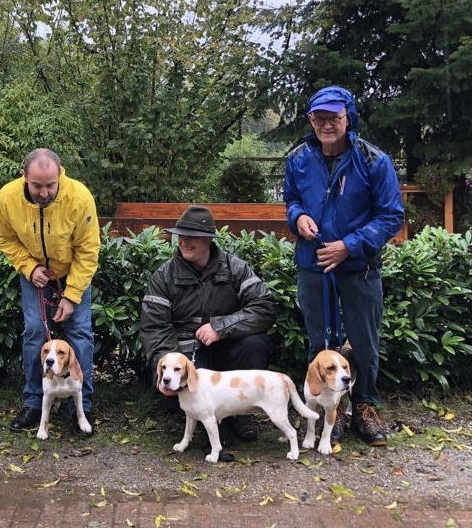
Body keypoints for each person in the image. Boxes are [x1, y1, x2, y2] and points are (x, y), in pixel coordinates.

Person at [283, 85, 403, 446]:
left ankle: (365, 407)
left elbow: (391, 215)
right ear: (310, 120)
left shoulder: (373, 161)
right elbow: (290, 199)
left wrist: (349, 246)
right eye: (319, 117)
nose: (326, 124)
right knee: (319, 342)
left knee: (363, 343)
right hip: (313, 264)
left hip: (359, 268)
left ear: (348, 117)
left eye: (333, 117)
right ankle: (323, 413)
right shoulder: (299, 159)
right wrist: (297, 217)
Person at [140, 205, 278, 447]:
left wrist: (221, 328)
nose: (184, 241)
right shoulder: (163, 276)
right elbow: (154, 328)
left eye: (191, 236)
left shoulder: (236, 268)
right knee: (193, 392)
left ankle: (241, 414)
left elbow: (264, 307)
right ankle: (198, 418)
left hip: (227, 347)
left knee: (256, 344)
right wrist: (164, 371)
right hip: (187, 356)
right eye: (181, 235)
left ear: (207, 240)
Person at [0, 148, 100, 433]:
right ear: (24, 176)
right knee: (35, 332)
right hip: (35, 274)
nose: (43, 192)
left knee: (80, 333)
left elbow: (88, 250)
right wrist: (29, 267)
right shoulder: (6, 197)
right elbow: (3, 236)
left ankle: (82, 403)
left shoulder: (79, 197)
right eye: (37, 185)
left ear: (60, 174)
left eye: (50, 185)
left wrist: (72, 295)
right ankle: (34, 401)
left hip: (73, 272)